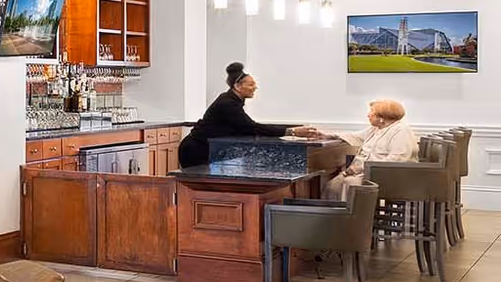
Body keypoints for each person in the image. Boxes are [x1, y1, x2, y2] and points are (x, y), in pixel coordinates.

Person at [177, 62, 320, 167]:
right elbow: (252, 127)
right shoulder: (228, 103)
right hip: (196, 150)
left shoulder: (232, 100)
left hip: (208, 149)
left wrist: (295, 128)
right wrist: (292, 131)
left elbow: (249, 126)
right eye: (251, 84)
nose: (255, 87)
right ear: (237, 86)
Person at [323, 98, 418, 197]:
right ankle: (333, 207)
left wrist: (362, 168)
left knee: (350, 183)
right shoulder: (375, 129)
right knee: (333, 185)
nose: (368, 115)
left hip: (385, 176)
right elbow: (354, 136)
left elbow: (397, 159)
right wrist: (327, 135)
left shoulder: (401, 130)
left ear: (382, 117)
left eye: (372, 111)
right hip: (362, 173)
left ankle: (356, 207)